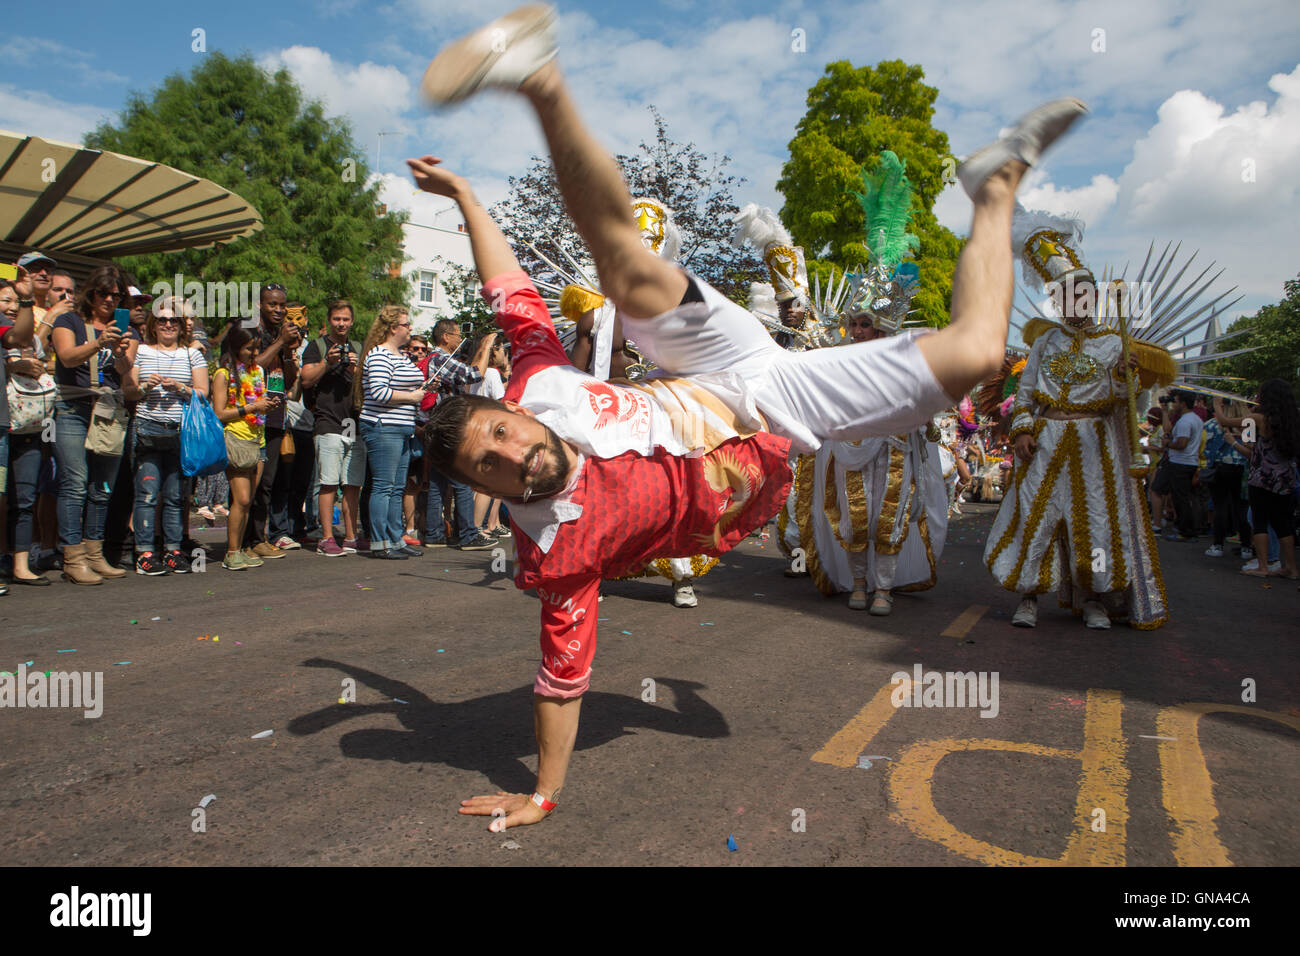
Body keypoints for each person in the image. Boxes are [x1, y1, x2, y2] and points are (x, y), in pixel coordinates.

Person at [416, 3, 1085, 829]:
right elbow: (560, 676)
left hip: (710, 363)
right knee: (979, 354)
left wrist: (467, 198)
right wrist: (544, 791)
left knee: (627, 274)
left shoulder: (536, 380)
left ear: (509, 410)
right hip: (770, 407)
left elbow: (507, 286)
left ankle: (540, 78)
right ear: (484, 490)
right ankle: (996, 186)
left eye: (502, 431)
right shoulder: (555, 552)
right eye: (489, 466)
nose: (513, 453)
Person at [984, 205, 1168, 630]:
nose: (1075, 303)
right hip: (1045, 442)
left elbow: (1129, 406)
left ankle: (1093, 601)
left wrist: (1126, 380)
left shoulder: (1112, 344)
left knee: (1095, 522)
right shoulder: (1045, 341)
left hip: (1095, 447)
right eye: (1066, 296)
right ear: (1058, 301)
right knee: (1037, 517)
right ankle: (1028, 597)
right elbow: (1025, 395)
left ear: (1095, 298)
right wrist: (1023, 432)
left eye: (1082, 295)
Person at [49, 263, 136, 584]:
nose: (110, 300)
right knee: (74, 483)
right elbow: (68, 357)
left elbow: (127, 375)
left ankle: (95, 554)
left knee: (102, 488)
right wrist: (99, 343)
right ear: (92, 292)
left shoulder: (128, 331)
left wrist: (121, 351)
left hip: (108, 411)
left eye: (117, 295)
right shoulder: (68, 319)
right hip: (72, 407)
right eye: (104, 293)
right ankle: (73, 557)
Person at [126, 300, 208, 574]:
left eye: (173, 320)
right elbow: (130, 392)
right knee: (147, 494)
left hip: (179, 432)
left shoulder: (192, 355)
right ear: (153, 325)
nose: (168, 324)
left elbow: (203, 392)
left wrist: (181, 387)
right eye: (162, 320)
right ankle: (145, 552)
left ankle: (173, 550)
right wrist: (144, 386)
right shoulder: (142, 351)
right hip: (147, 427)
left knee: (175, 496)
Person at [354, 306, 431, 559]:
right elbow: (377, 391)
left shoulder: (399, 355)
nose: (410, 328)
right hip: (382, 426)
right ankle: (379, 541)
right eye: (406, 324)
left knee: (397, 487)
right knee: (384, 486)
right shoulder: (378, 355)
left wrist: (420, 390)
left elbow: (399, 386)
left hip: (401, 427)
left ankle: (395, 539)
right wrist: (412, 395)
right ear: (392, 328)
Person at [300, 299, 367, 556]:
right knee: (328, 482)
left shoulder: (359, 347)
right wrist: (327, 363)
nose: (341, 324)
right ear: (329, 320)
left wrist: (355, 367)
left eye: (346, 319)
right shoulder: (316, 347)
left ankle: (351, 536)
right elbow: (306, 380)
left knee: (352, 483)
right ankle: (326, 537)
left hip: (353, 422)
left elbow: (368, 383)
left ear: (352, 322)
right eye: (337, 319)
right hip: (327, 421)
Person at [212, 328, 280, 571]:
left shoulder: (256, 372)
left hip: (257, 439)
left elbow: (256, 406)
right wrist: (251, 407)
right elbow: (219, 413)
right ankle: (231, 552)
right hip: (236, 440)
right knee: (240, 499)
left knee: (248, 501)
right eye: (249, 347)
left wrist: (265, 407)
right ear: (235, 346)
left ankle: (240, 548)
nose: (254, 353)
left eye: (256, 347)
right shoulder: (223, 374)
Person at [425, 319, 495, 550]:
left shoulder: (439, 359)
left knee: (438, 483)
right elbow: (474, 375)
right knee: (462, 480)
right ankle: (467, 534)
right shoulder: (440, 358)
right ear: (445, 337)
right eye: (456, 334)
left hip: (437, 428)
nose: (459, 339)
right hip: (447, 429)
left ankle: (434, 533)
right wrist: (485, 347)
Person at [244, 282, 300, 560]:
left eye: (282, 305)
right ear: (260, 305)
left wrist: (289, 351)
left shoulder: (283, 336)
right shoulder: (250, 331)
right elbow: (251, 368)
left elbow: (289, 380)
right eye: (272, 304)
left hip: (276, 417)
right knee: (247, 483)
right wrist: (279, 342)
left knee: (266, 483)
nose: (278, 310)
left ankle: (258, 538)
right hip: (251, 418)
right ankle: (241, 540)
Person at [1225, 380, 1299, 579]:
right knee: (1284, 523)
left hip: (1262, 478)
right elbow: (1250, 441)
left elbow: (1225, 421)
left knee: (1259, 520)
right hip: (1285, 478)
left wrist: (1216, 404)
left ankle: (1264, 566)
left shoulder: (1258, 418)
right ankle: (1291, 568)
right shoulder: (1291, 420)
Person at [1, 271, 40, 593]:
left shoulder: (8, 330)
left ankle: (20, 565)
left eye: (16, 302)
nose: (11, 307)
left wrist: (27, 298)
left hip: (17, 422)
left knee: (18, 497)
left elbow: (20, 339)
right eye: (6, 300)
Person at [1203, 398, 1252, 559]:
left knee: (1220, 507)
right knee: (1242, 508)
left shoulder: (1212, 424)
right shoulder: (1248, 424)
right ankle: (1246, 546)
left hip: (1220, 468)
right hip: (1243, 469)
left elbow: (1205, 448)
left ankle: (1218, 545)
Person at [1160, 389, 1203, 542]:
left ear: (1183, 403)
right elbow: (1169, 430)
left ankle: (1186, 531)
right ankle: (1189, 528)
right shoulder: (1194, 419)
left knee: (1181, 499)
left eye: (1176, 401)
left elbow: (1181, 443)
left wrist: (1168, 444)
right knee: (1184, 497)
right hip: (1189, 462)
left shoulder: (1185, 421)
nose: (1174, 404)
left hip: (1181, 462)